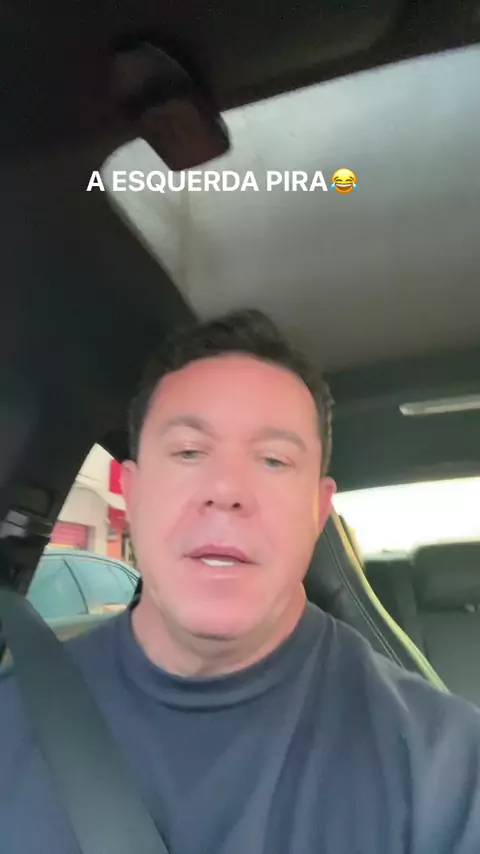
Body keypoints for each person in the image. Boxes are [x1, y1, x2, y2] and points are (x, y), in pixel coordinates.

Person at [1, 308, 480, 853]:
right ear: (130, 493)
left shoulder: (446, 773)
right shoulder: (14, 717)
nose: (226, 490)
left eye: (273, 460)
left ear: (318, 512)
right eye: (188, 452)